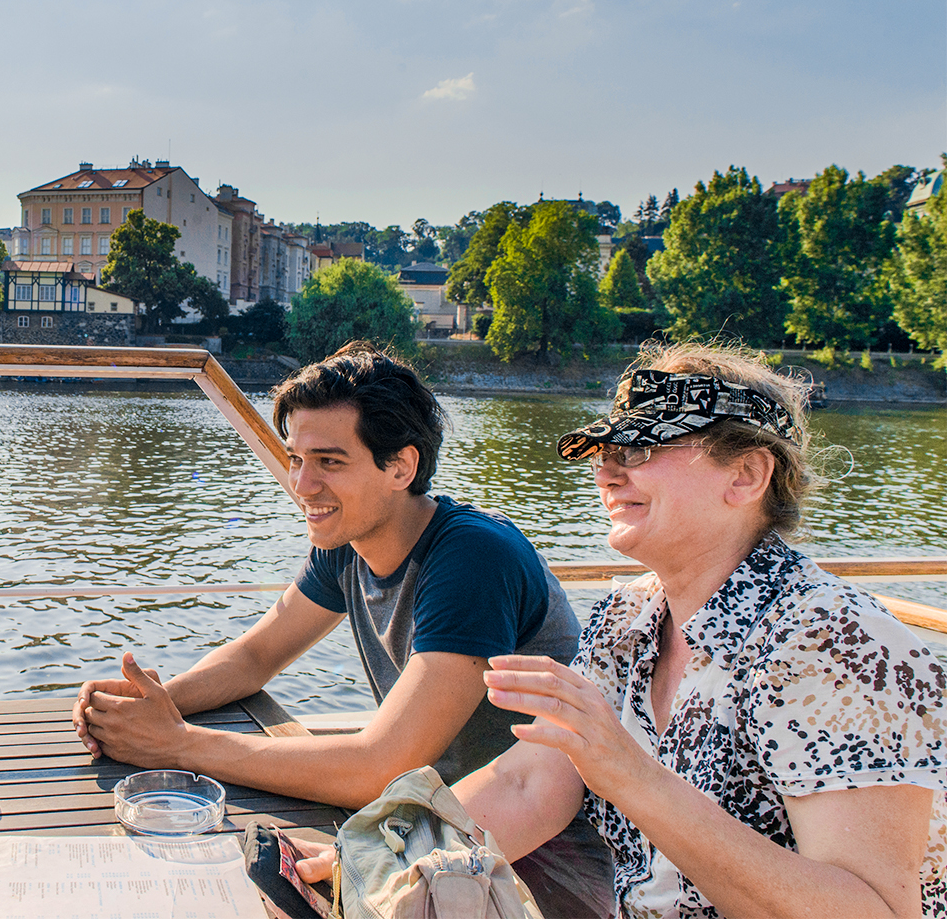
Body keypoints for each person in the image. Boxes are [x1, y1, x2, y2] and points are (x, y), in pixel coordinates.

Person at [298, 343, 947, 916]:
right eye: (605, 451)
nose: (607, 472)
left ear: (746, 475)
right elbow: (531, 784)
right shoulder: (627, 620)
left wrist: (631, 775)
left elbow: (875, 912)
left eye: (640, 449)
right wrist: (371, 859)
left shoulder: (835, 645)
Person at [72, 342, 614, 918]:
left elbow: (380, 764)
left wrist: (177, 743)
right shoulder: (348, 543)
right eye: (296, 459)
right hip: (423, 830)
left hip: (533, 869)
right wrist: (144, 706)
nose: (303, 486)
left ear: (400, 467)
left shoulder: (472, 559)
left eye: (329, 462)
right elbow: (254, 658)